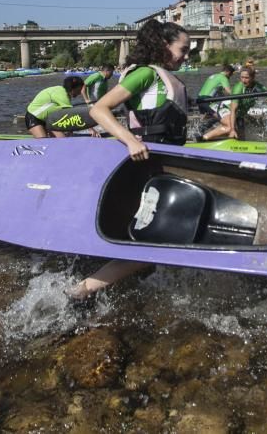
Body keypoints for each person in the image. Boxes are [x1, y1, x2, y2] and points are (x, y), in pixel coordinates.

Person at [67, 20, 190, 299]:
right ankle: (82, 290)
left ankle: (130, 284)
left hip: (165, 164)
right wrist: (131, 140)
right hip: (147, 166)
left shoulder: (164, 78)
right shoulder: (145, 74)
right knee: (155, 240)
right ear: (163, 46)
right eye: (183, 50)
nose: (186, 56)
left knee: (154, 233)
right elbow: (100, 110)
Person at [227, 66, 267, 139]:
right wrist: (232, 129)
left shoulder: (256, 86)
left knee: (242, 136)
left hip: (241, 114)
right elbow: (233, 110)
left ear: (253, 77)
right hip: (229, 112)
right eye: (242, 77)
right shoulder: (238, 88)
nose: (243, 80)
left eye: (246, 78)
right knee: (231, 130)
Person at [197, 64, 235, 141]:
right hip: (208, 101)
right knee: (228, 122)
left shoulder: (213, 76)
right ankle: (203, 138)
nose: (229, 77)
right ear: (228, 72)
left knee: (214, 118)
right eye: (230, 75)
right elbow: (230, 92)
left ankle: (201, 130)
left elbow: (216, 92)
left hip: (200, 100)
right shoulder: (223, 77)